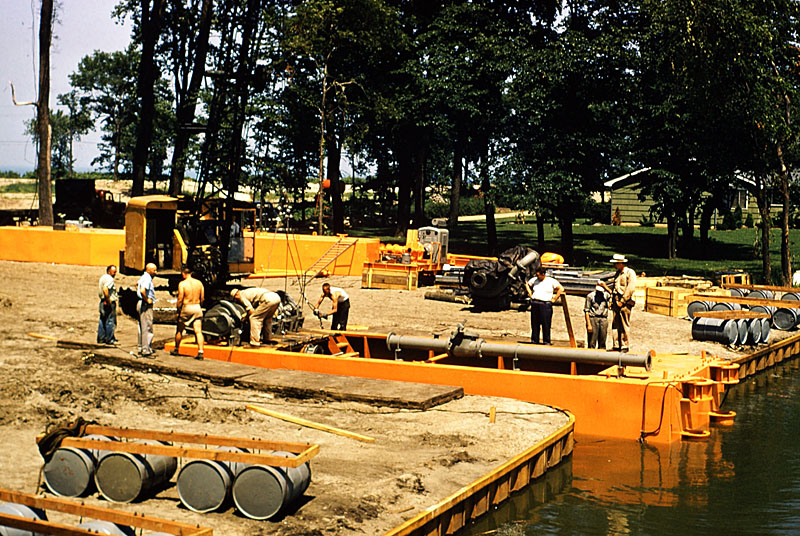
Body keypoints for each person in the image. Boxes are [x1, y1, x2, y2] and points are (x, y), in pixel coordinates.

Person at [602, 253, 637, 353]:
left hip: (625, 302)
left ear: (621, 263)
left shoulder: (629, 273)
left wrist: (623, 301)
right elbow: (615, 288)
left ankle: (625, 345)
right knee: (615, 324)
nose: (614, 265)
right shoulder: (617, 274)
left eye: (616, 263)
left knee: (624, 324)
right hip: (616, 301)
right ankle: (616, 344)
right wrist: (611, 300)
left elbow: (630, 288)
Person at [525, 267, 565, 345]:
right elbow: (527, 284)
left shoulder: (551, 281)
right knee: (535, 323)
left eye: (538, 275)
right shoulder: (534, 280)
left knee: (546, 324)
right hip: (535, 302)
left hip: (545, 304)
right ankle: (534, 340)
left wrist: (555, 298)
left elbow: (561, 289)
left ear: (543, 274)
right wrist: (530, 293)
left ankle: (546, 341)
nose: (537, 277)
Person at [172, 266, 205, 360]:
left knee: (180, 330)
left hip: (187, 307)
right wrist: (199, 305)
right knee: (198, 331)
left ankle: (176, 349)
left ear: (183, 273)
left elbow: (180, 298)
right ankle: (200, 352)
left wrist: (178, 310)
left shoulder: (182, 284)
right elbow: (202, 298)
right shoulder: (199, 283)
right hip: (197, 306)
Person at [137, 263, 157, 357]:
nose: (156, 272)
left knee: (142, 326)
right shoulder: (147, 278)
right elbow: (142, 290)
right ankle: (146, 349)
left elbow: (137, 285)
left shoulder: (143, 277)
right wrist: (147, 299)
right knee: (147, 327)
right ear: (149, 270)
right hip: (145, 304)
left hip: (141, 302)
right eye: (154, 270)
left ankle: (141, 347)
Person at [584, 282, 610, 349]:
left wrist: (606, 287)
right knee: (592, 341)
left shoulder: (607, 295)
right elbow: (586, 310)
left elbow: (614, 296)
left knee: (603, 340)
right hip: (593, 318)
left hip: (603, 319)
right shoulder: (590, 296)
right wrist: (589, 324)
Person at [97, 265, 118, 345]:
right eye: (114, 272)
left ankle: (101, 338)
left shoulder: (103, 277)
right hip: (108, 301)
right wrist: (108, 299)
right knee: (110, 320)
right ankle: (109, 339)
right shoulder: (110, 279)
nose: (115, 273)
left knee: (102, 319)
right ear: (109, 271)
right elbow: (105, 289)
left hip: (102, 301)